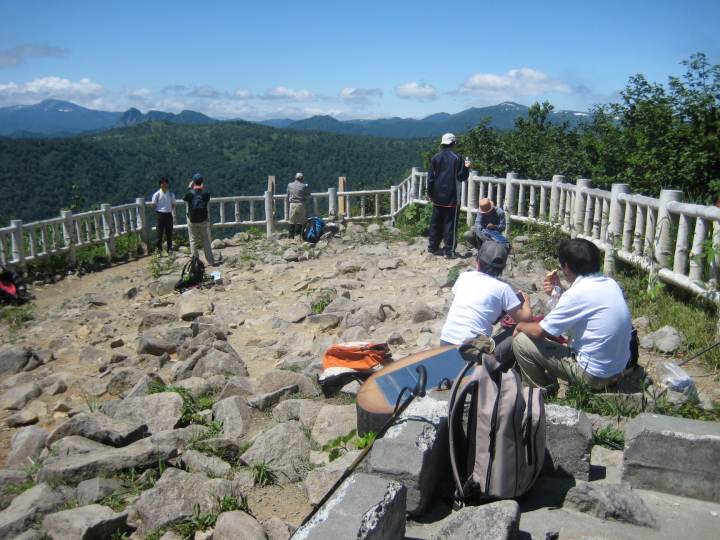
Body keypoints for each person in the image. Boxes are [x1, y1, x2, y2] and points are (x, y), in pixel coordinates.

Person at [512, 238, 632, 392]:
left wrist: (520, 326)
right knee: (569, 339)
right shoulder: (610, 283)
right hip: (618, 369)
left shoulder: (576, 294)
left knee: (521, 341)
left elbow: (540, 331)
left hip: (594, 376)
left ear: (567, 267)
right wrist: (557, 291)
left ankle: (541, 393)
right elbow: (581, 310)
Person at [440, 240, 532, 362]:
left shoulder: (464, 276)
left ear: (477, 260)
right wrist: (526, 302)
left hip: (445, 342)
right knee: (523, 331)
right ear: (502, 267)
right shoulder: (503, 289)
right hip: (474, 350)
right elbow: (526, 320)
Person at [427, 133, 471, 259]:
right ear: (453, 143)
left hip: (437, 197)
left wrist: (430, 193)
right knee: (450, 224)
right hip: (452, 197)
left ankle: (433, 247)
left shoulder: (435, 157)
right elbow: (461, 177)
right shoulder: (457, 158)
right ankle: (449, 251)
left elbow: (430, 178)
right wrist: (467, 167)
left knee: (435, 223)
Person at [183, 172, 215, 266]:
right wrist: (202, 188)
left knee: (193, 240)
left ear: (193, 182)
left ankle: (195, 262)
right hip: (203, 220)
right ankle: (210, 261)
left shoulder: (190, 193)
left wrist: (189, 187)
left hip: (192, 220)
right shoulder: (206, 194)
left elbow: (185, 198)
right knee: (205, 240)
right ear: (202, 182)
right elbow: (206, 199)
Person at [151, 177, 176, 253]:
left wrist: (168, 209)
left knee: (169, 233)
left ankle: (169, 249)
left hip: (168, 214)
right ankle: (159, 250)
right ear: (160, 185)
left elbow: (173, 205)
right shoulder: (156, 194)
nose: (165, 185)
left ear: (168, 184)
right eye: (163, 184)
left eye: (166, 183)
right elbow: (153, 205)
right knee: (159, 233)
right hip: (160, 214)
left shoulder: (171, 194)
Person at [287, 172, 310, 239]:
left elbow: (288, 193)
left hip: (292, 204)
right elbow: (307, 193)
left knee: (292, 220)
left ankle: (291, 237)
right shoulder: (303, 186)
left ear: (295, 177)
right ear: (302, 178)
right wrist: (306, 186)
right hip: (300, 204)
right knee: (300, 221)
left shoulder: (289, 185)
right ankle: (298, 236)